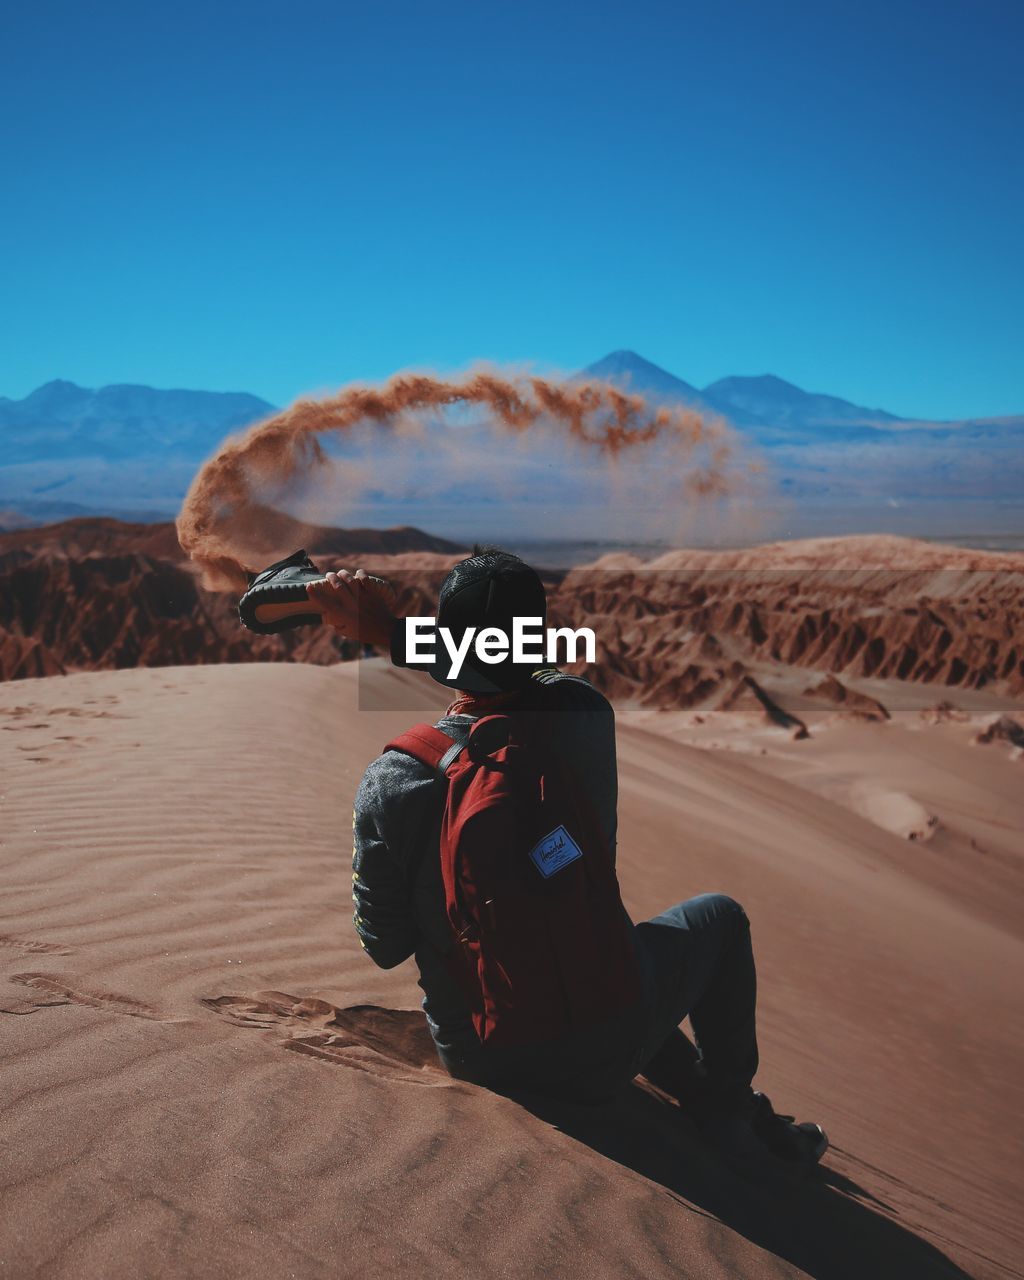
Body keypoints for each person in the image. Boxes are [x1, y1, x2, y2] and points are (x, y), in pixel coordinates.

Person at [307, 548, 827, 1177]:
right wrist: (390, 632)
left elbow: (383, 945)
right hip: (608, 1030)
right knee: (713, 921)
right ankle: (728, 1110)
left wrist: (376, 628)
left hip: (483, 1057)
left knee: (592, 956)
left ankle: (698, 1092)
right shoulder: (581, 719)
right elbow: (522, 674)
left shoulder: (392, 779)